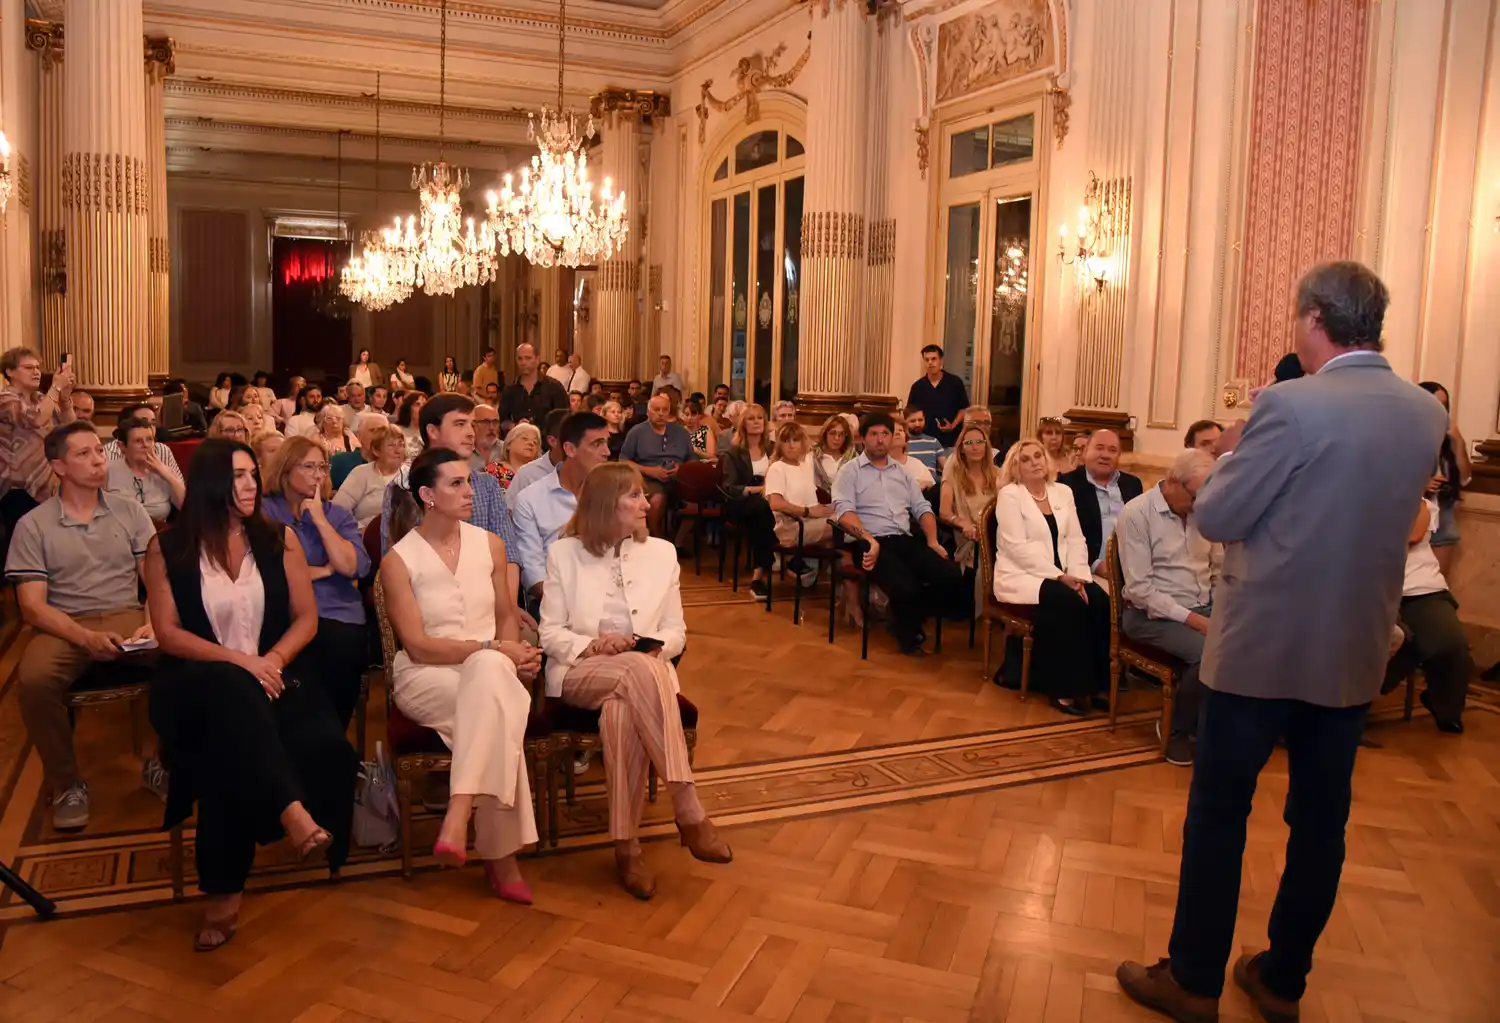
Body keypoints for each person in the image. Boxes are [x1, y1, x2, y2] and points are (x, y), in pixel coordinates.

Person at [1116, 262, 1449, 1023]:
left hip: (1261, 649)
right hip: (1354, 650)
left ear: (1314, 319)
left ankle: (1194, 979)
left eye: (1298, 317)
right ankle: (1282, 980)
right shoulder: (1422, 413)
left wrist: (1233, 450)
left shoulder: (1290, 405)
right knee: (1321, 824)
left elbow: (1217, 516)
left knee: (1220, 812)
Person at [145, 438, 356, 951]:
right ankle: (291, 811)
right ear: (208, 482)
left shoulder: (278, 539)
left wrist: (273, 660)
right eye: (237, 475)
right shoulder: (168, 548)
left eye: (252, 475)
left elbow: (306, 618)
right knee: (229, 702)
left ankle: (224, 890)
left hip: (276, 675)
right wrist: (243, 663)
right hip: (198, 682)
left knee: (249, 752)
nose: (249, 485)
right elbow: (168, 633)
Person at [538, 462, 730, 898]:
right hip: (581, 670)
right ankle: (688, 807)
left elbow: (676, 630)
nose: (648, 503)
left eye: (644, 495)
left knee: (622, 710)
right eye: (635, 496)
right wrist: (594, 644)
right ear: (607, 505)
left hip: (643, 669)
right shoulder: (564, 554)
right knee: (639, 672)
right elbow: (550, 634)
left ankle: (627, 848)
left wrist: (653, 646)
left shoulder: (662, 553)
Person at [382, 448, 539, 902]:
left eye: (468, 481)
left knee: (490, 687)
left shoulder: (489, 544)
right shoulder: (399, 560)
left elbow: (506, 616)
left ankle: (458, 810)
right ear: (427, 495)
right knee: (496, 705)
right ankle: (501, 860)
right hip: (426, 675)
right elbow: (417, 645)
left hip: (489, 671)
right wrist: (496, 651)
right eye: (456, 484)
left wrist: (509, 656)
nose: (470, 491)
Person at [6, 421, 157, 830]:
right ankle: (68, 783)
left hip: (127, 614)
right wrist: (84, 637)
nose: (97, 460)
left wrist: (153, 622)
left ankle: (162, 762)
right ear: (58, 466)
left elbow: (156, 582)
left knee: (186, 657)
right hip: (65, 623)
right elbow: (32, 607)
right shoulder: (33, 525)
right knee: (35, 679)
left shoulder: (130, 511)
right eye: (84, 453)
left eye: (99, 451)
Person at [1116, 449, 1222, 765]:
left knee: (1253, 642)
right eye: (1196, 495)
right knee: (1208, 654)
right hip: (1149, 615)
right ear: (1173, 481)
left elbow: (1219, 569)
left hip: (1201, 607)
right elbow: (1140, 591)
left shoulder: (1204, 512)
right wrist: (1194, 620)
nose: (1200, 504)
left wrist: (1223, 609)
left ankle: (1218, 728)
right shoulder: (1137, 514)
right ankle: (1177, 729)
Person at [992, 439, 1110, 715]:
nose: (1034, 462)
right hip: (1023, 575)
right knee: (1067, 603)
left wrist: (1079, 576)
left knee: (1099, 601)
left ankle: (1096, 685)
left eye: (1038, 456)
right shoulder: (1010, 495)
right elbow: (1017, 548)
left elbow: (1076, 539)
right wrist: (1059, 577)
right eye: (1025, 459)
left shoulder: (1063, 492)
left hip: (1068, 573)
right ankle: (1063, 689)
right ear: (1015, 467)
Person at [378, 394, 524, 616]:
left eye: (472, 424)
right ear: (433, 431)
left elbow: (509, 556)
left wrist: (508, 610)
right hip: (428, 606)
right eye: (460, 424)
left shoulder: (487, 484)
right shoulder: (404, 487)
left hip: (490, 602)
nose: (471, 433)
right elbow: (398, 565)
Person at [261, 436, 370, 728]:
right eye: (308, 467)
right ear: (285, 470)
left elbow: (352, 567)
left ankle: (331, 739)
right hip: (284, 611)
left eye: (322, 467)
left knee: (341, 645)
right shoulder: (264, 512)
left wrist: (320, 520)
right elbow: (266, 571)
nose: (318, 475)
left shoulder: (336, 515)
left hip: (337, 612)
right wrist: (322, 571)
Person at [833, 413, 963, 656]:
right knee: (906, 587)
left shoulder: (903, 473)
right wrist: (869, 540)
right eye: (874, 434)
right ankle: (908, 636)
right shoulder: (850, 471)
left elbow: (922, 508)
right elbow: (844, 513)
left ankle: (903, 616)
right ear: (863, 438)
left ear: (892, 438)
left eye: (885, 434)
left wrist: (933, 541)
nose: (880, 439)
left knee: (951, 577)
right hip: (869, 542)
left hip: (903, 539)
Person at [1383, 498, 1473, 733]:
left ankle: (1445, 707)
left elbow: (1413, 535)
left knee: (1450, 641)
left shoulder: (1417, 502)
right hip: (1370, 591)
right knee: (1397, 640)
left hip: (1422, 588)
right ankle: (1348, 707)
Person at [512, 412, 611, 601]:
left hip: (610, 594)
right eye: (597, 444)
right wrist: (571, 603)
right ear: (570, 449)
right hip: (556, 598)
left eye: (606, 443)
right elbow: (534, 574)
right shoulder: (529, 500)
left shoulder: (613, 494)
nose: (606, 452)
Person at [0, 347, 76, 538]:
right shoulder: (5, 399)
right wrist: (55, 387)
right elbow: (36, 419)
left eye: (37, 368)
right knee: (23, 541)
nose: (36, 372)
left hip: (48, 483)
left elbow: (70, 427)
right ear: (9, 372)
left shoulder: (41, 399)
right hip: (16, 487)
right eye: (28, 367)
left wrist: (65, 398)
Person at [1058, 429, 1143, 573]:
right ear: (1086, 451)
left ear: (1119, 455)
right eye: (1099, 448)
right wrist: (1095, 565)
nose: (1105, 455)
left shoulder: (1133, 484)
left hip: (1131, 568)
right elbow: (1061, 535)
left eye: (1112, 450)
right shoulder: (1066, 485)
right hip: (1086, 569)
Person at [765, 421, 834, 588]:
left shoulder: (804, 467)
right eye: (786, 441)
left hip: (808, 523)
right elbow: (776, 504)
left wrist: (828, 509)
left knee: (848, 522)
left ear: (802, 443)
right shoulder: (777, 468)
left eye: (795, 440)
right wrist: (808, 511)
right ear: (779, 444)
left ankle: (841, 583)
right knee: (844, 526)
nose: (791, 445)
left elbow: (812, 502)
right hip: (789, 527)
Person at [940, 424, 1000, 610]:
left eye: (979, 442)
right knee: (985, 563)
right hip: (971, 537)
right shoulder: (953, 474)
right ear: (961, 449)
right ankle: (984, 615)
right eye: (969, 443)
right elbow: (944, 512)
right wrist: (961, 522)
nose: (975, 447)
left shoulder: (998, 473)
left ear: (986, 446)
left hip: (997, 535)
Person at [721, 403, 777, 599]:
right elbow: (729, 487)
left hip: (769, 500)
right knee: (762, 510)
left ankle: (768, 564)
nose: (756, 422)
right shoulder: (734, 453)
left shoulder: (773, 449)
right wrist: (756, 490)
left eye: (760, 418)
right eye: (751, 419)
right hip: (740, 502)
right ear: (743, 424)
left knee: (766, 511)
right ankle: (759, 576)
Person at [620, 393, 696, 538]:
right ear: (648, 411)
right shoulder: (637, 432)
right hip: (649, 479)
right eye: (656, 410)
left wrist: (682, 470)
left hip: (679, 478)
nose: (661, 414)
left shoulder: (681, 432)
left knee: (697, 502)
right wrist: (648, 470)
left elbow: (692, 458)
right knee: (656, 500)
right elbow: (623, 460)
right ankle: (656, 538)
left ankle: (679, 541)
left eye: (664, 410)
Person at [1417, 381, 1472, 576]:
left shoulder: (1448, 441)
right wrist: (1421, 485)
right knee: (1405, 588)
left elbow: (1466, 478)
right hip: (1413, 522)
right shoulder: (1404, 436)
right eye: (1435, 404)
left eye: (1444, 405)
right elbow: (1387, 481)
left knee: (1437, 586)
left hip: (1443, 520)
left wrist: (1459, 444)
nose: (1441, 411)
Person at [106, 417, 186, 525]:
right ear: (122, 446)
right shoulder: (108, 471)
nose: (145, 445)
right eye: (138, 441)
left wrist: (168, 475)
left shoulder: (165, 472)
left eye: (149, 439)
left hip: (158, 533)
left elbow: (188, 508)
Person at [334, 423, 406, 530]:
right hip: (363, 533)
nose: (398, 451)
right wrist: (359, 529)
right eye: (391, 445)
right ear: (376, 451)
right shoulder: (361, 473)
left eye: (401, 445)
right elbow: (338, 510)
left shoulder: (410, 475)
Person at [905, 345, 969, 448]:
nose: (930, 363)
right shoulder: (917, 387)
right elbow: (910, 413)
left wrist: (952, 425)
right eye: (927, 360)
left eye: (934, 359)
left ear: (941, 361)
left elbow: (963, 409)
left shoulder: (955, 382)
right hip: (924, 441)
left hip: (950, 441)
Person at [499, 343, 569, 430]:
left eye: (528, 358)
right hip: (519, 437)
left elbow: (565, 420)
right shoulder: (510, 390)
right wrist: (516, 426)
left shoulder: (554, 388)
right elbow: (502, 420)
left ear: (537, 359)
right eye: (520, 358)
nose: (523, 362)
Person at [509, 409, 570, 500]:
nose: (579, 444)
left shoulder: (588, 471)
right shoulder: (527, 475)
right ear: (552, 441)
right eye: (572, 439)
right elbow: (510, 508)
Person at [490, 421, 541, 490]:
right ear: (509, 444)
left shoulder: (541, 475)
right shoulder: (493, 470)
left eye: (535, 442)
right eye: (525, 438)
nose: (531, 443)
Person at [813, 414, 854, 493]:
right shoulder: (814, 456)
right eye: (832, 433)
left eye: (841, 434)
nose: (837, 438)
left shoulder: (852, 456)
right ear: (825, 434)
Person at [890, 422, 935, 492]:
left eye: (901, 430)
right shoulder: (878, 464)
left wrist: (926, 485)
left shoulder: (917, 463)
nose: (897, 433)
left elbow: (931, 484)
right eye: (892, 430)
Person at [902, 407, 943, 474]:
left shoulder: (933, 441)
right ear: (905, 422)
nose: (917, 424)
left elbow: (946, 468)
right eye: (913, 421)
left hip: (931, 480)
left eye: (920, 420)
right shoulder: (901, 443)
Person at [395, 391, 427, 462]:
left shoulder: (430, 431)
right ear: (408, 408)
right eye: (417, 404)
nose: (422, 408)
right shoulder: (396, 430)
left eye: (424, 405)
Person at [470, 403, 504, 470]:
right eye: (485, 422)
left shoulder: (506, 450)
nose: (492, 427)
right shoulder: (462, 452)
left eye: (495, 422)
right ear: (473, 424)